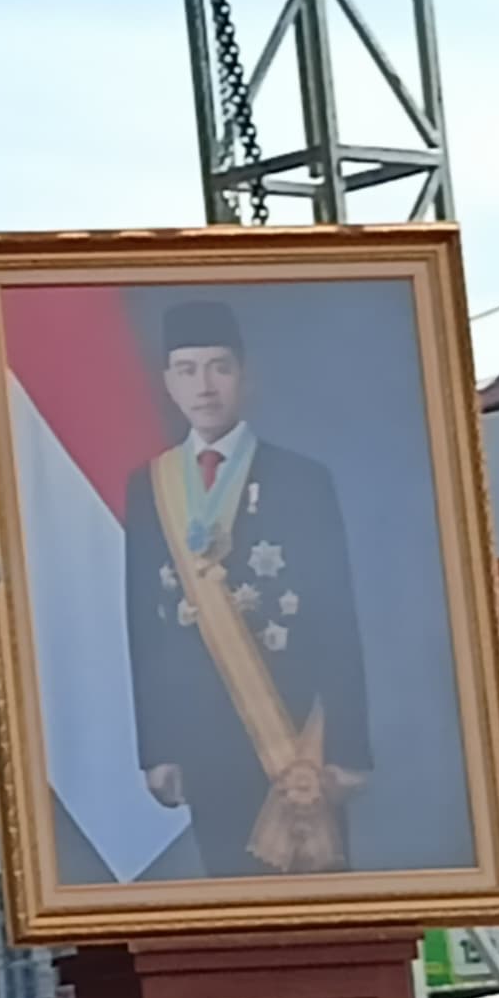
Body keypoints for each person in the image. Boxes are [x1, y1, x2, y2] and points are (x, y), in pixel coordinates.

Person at [122, 294, 370, 876]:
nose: (204, 386)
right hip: (199, 733)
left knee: (321, 903)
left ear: (245, 376)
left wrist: (349, 746)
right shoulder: (149, 486)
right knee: (227, 890)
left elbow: (338, 614)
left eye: (219, 367)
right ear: (168, 383)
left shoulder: (301, 480)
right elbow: (143, 624)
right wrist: (156, 748)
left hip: (298, 731)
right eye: (187, 370)